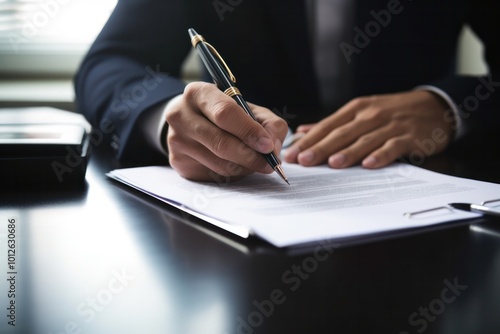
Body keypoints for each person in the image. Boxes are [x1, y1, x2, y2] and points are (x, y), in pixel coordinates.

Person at [74, 0, 499, 182]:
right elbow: (110, 64)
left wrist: (452, 107)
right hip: (251, 242)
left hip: (430, 214)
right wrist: (172, 115)